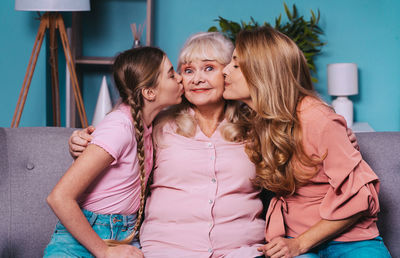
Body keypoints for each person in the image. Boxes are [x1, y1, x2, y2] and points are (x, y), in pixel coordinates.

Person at [68, 32, 360, 257]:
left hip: (241, 250)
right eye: (188, 69)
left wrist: (342, 135)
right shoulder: (158, 124)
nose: (196, 79)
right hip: (167, 249)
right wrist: (81, 139)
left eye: (208, 68)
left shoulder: (257, 125)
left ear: (229, 73)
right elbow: (118, 136)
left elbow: (304, 131)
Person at [222, 26, 391, 258]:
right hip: (292, 238)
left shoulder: (317, 118)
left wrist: (300, 245)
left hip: (350, 240)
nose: (224, 71)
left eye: (236, 65)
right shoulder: (255, 121)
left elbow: (360, 196)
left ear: (263, 72)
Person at [44, 46, 184, 258]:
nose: (181, 79)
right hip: (81, 239)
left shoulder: (148, 123)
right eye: (172, 74)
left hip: (125, 235)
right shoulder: (119, 127)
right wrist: (104, 252)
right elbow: (59, 197)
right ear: (149, 92)